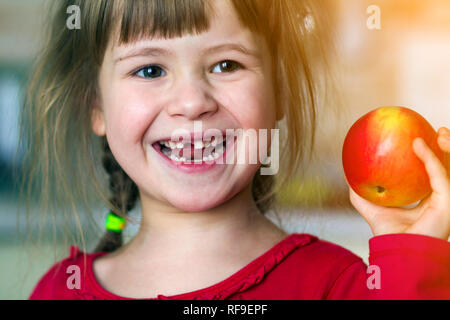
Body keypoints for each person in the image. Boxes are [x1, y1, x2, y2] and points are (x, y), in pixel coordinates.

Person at [22, 0, 450, 300]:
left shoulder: (341, 287)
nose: (191, 102)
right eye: (149, 69)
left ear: (278, 91)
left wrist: (413, 266)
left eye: (227, 65)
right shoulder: (58, 292)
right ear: (96, 106)